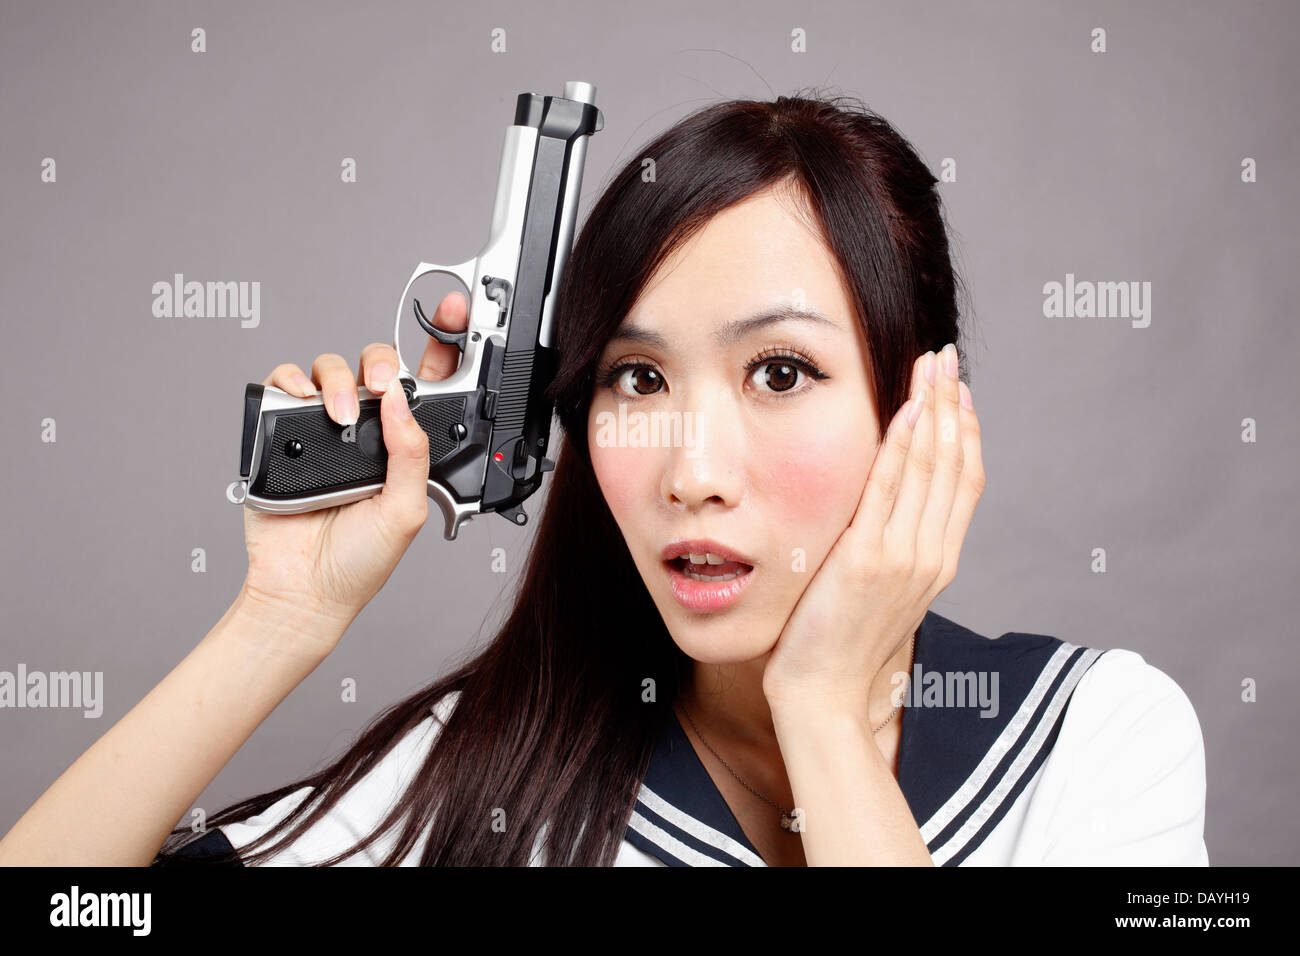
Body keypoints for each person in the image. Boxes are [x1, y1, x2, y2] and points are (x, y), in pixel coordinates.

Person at [0, 90, 1207, 867]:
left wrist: (827, 719)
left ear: (919, 404)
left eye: (780, 371)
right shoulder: (485, 779)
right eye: (635, 380)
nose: (691, 469)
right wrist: (279, 619)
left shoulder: (1094, 737)